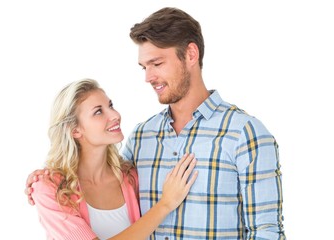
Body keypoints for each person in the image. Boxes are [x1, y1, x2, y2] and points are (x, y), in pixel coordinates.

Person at [26, 7, 286, 239]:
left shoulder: (244, 134)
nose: (149, 77)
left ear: (191, 54)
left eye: (157, 63)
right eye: (144, 67)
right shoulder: (142, 137)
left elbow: (267, 232)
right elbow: (105, 177)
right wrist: (47, 178)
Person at [29, 78, 198, 240]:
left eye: (110, 106)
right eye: (98, 112)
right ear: (75, 130)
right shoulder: (50, 189)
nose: (115, 115)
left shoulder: (129, 177)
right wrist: (165, 205)